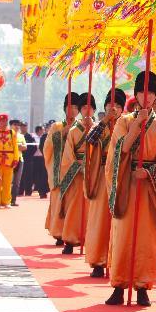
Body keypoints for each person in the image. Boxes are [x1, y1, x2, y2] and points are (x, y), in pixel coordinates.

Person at [105, 71, 156, 307]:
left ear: (155, 97)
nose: (146, 96)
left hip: (149, 186)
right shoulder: (123, 121)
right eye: (142, 92)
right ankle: (119, 285)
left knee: (145, 239)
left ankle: (143, 285)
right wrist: (136, 125)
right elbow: (118, 152)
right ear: (136, 94)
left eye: (151, 92)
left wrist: (151, 171)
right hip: (127, 182)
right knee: (123, 235)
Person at [84, 88, 126, 278]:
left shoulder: (126, 125)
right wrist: (104, 121)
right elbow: (90, 141)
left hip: (121, 175)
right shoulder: (100, 126)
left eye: (118, 105)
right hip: (102, 176)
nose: (114, 108)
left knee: (120, 218)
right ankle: (98, 261)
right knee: (100, 219)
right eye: (111, 105)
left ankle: (117, 260)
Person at [58, 93, 96, 254]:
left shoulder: (99, 128)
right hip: (76, 173)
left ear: (94, 110)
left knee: (91, 208)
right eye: (84, 107)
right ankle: (70, 239)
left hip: (93, 173)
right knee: (74, 207)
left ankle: (90, 240)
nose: (87, 110)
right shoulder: (74, 130)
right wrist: (77, 166)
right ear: (80, 110)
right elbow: (67, 153)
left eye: (90, 107)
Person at [44, 94, 80, 245]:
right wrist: (61, 134)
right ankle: (58, 232)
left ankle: (72, 232)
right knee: (59, 200)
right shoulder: (56, 126)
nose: (71, 110)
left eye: (75, 107)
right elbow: (47, 147)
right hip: (59, 170)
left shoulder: (81, 126)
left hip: (75, 169)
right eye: (69, 106)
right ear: (64, 108)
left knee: (73, 202)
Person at [0, 113, 20, 208]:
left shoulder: (12, 133)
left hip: (9, 161)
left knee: (7, 182)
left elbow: (15, 147)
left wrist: (15, 159)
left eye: (5, 121)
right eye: (1, 121)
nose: (3, 123)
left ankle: (6, 201)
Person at [9, 119, 26, 206]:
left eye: (18, 125)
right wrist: (16, 146)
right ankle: (5, 199)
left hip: (19, 160)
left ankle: (13, 200)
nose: (17, 126)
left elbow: (25, 147)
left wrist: (19, 146)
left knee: (16, 182)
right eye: (15, 124)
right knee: (8, 181)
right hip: (9, 161)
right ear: (10, 125)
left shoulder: (21, 136)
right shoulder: (7, 135)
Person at [19, 122, 37, 197]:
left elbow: (34, 148)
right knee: (20, 176)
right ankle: (19, 191)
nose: (23, 128)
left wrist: (29, 155)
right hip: (19, 158)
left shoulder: (30, 137)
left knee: (28, 176)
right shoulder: (18, 136)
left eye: (25, 126)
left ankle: (28, 191)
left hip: (28, 159)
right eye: (22, 126)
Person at [33, 125, 49, 198]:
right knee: (43, 176)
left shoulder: (57, 135)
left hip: (54, 159)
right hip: (45, 159)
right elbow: (41, 147)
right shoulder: (44, 136)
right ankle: (42, 192)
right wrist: (46, 154)